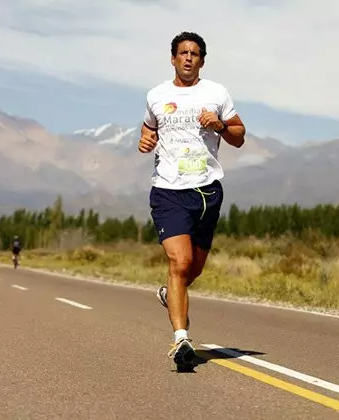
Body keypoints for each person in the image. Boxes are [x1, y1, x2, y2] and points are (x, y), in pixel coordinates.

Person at [138, 31, 246, 369]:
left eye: (195, 53)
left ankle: (170, 294)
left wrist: (220, 126)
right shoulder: (156, 95)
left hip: (208, 191)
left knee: (193, 269)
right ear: (172, 58)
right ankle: (181, 339)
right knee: (179, 263)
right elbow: (147, 129)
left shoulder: (217, 93)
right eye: (182, 53)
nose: (188, 58)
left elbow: (239, 136)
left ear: (201, 60)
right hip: (169, 191)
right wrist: (145, 139)